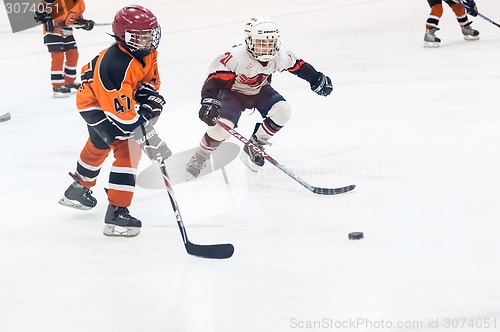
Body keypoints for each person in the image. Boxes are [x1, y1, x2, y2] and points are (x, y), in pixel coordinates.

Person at [58, 5, 171, 237]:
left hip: (108, 99)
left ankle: (78, 188)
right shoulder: (116, 65)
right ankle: (117, 214)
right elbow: (122, 117)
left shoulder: (148, 52)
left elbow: (149, 81)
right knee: (128, 148)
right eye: (140, 37)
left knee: (99, 143)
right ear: (123, 37)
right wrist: (149, 135)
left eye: (150, 34)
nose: (147, 41)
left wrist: (148, 98)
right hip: (96, 105)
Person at [185, 16, 333, 179]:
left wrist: (316, 78)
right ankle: (200, 156)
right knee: (222, 128)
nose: (267, 48)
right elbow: (213, 79)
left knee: (283, 110)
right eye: (261, 43)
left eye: (270, 43)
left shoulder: (280, 56)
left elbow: (299, 66)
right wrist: (208, 100)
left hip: (259, 91)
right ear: (249, 41)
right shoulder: (236, 57)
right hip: (232, 94)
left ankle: (255, 145)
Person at [34, 0, 94, 98]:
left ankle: (68, 81)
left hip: (66, 31)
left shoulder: (80, 3)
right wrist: (44, 18)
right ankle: (57, 86)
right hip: (52, 31)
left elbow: (76, 20)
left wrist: (84, 23)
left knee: (73, 54)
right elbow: (40, 11)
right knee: (58, 56)